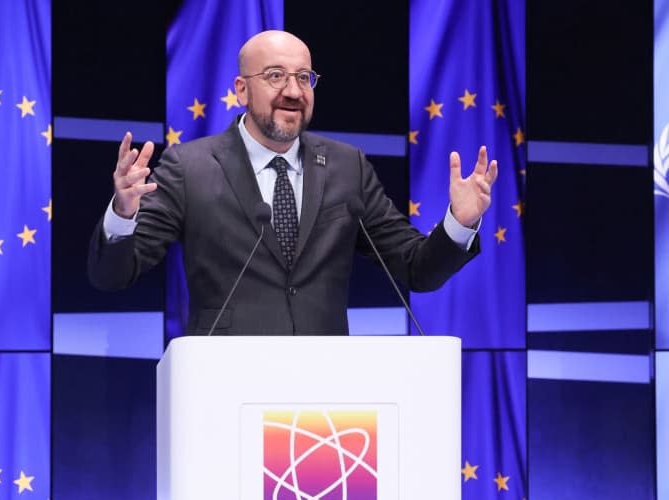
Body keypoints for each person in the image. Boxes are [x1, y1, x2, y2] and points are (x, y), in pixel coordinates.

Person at [88, 30, 498, 335]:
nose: (293, 90)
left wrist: (459, 223)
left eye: (304, 77)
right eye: (275, 75)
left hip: (321, 398)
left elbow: (416, 271)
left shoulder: (346, 166)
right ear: (242, 89)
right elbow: (113, 276)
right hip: (224, 389)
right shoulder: (190, 166)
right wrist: (123, 214)